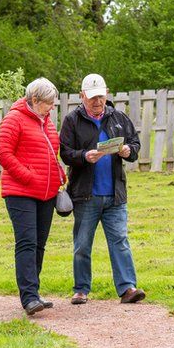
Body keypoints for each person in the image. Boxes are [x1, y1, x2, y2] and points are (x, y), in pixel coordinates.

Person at [59, 74, 146, 305]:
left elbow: (135, 144)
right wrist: (84, 156)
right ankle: (81, 289)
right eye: (92, 98)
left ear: (106, 94)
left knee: (120, 240)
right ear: (82, 96)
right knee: (82, 244)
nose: (97, 102)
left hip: (115, 195)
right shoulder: (72, 120)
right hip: (85, 195)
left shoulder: (118, 117)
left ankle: (128, 288)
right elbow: (65, 153)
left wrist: (128, 150)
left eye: (100, 97)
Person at [0, 77, 64, 315]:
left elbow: (50, 152)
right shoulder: (14, 119)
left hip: (46, 192)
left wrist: (58, 173)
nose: (52, 107)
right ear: (35, 100)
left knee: (39, 244)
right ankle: (29, 297)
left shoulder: (46, 121)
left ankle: (34, 291)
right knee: (26, 242)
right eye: (48, 102)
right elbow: (3, 153)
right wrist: (27, 176)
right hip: (20, 192)